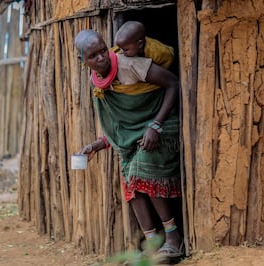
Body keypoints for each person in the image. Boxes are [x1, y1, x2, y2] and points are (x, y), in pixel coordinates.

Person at [74, 29, 184, 259]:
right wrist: (95, 145)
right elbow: (118, 125)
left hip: (162, 125)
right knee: (130, 183)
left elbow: (173, 83)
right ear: (82, 61)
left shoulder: (129, 65)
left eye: (103, 50)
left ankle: (173, 238)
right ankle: (153, 243)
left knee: (138, 172)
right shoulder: (96, 82)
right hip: (136, 136)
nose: (102, 57)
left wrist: (155, 125)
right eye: (93, 56)